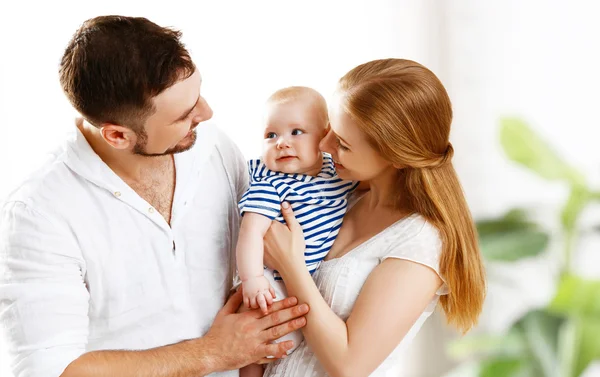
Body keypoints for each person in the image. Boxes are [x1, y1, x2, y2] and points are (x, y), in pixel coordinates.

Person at [0, 15, 309, 377]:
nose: (207, 113)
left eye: (198, 94)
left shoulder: (214, 148)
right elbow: (51, 370)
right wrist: (209, 354)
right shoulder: (39, 213)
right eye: (183, 115)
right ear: (118, 136)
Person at [261, 58, 487, 377]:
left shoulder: (421, 240)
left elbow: (349, 364)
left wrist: (289, 264)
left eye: (342, 144)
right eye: (328, 131)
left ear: (395, 156)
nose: (323, 146)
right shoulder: (340, 192)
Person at [236, 87, 357, 377]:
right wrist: (252, 279)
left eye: (296, 132)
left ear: (326, 137)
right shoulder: (272, 185)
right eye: (271, 135)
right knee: (257, 335)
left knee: (289, 345)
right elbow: (250, 233)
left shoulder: (335, 173)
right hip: (271, 279)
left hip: (307, 278)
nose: (282, 144)